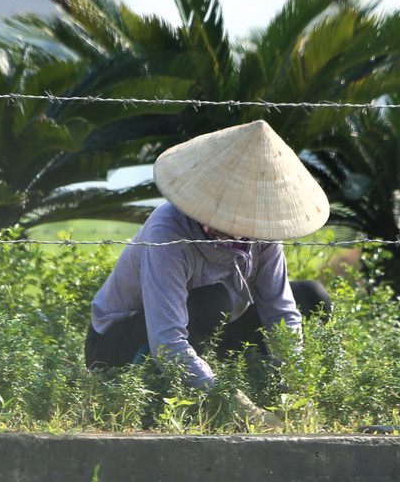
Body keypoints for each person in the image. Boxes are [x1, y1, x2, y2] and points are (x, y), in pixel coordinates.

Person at [85, 120, 332, 429]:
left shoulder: (262, 231)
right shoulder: (170, 230)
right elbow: (166, 342)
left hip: (211, 328)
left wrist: (293, 387)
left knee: (311, 296)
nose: (237, 226)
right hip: (123, 345)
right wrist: (235, 404)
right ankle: (170, 402)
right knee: (214, 299)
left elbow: (279, 310)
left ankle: (263, 394)